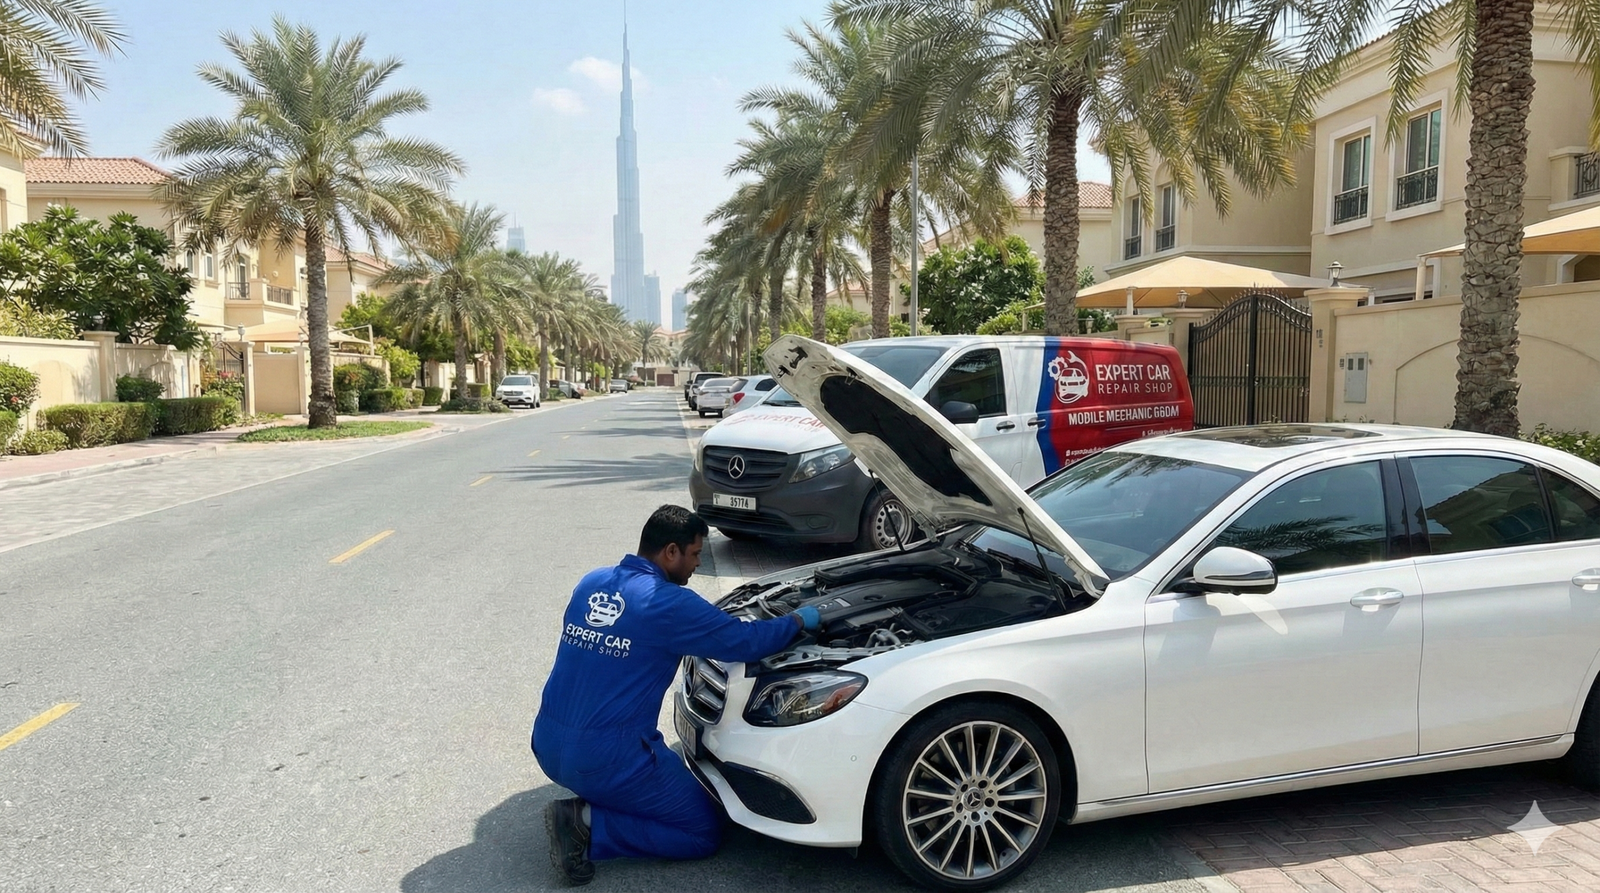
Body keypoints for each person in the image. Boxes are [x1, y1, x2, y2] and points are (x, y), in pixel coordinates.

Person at [532, 504, 820, 885]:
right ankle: (585, 823)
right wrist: (800, 619)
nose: (697, 564)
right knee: (701, 832)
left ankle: (601, 794)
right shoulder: (667, 603)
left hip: (547, 743)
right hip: (605, 758)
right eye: (696, 553)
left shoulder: (591, 582)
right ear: (671, 551)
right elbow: (745, 641)